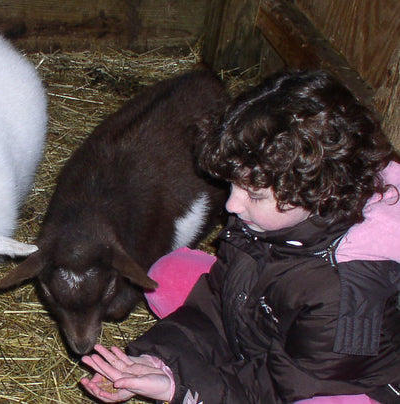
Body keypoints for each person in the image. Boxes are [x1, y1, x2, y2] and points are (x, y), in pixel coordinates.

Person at [79, 70, 400, 404]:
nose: (232, 204)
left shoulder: (347, 292)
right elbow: (218, 302)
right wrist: (160, 362)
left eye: (255, 195)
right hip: (275, 325)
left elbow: (278, 385)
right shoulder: (271, 221)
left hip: (329, 383)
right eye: (233, 185)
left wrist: (184, 390)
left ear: (319, 190)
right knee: (170, 273)